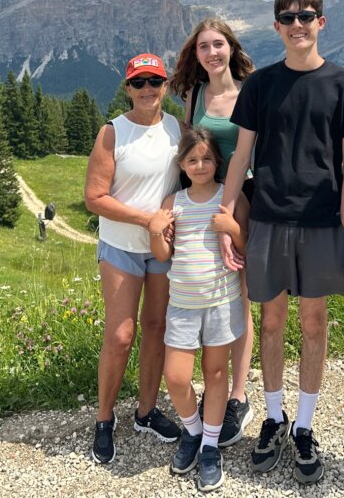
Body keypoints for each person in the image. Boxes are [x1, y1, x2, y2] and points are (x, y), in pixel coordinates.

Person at [220, 0, 344, 484]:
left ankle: (304, 426)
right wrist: (225, 216)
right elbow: (241, 156)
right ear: (277, 27)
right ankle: (273, 416)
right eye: (288, 17)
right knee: (270, 322)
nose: (298, 23)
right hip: (267, 217)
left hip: (321, 222)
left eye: (307, 15)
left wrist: (343, 229)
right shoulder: (260, 85)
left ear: (321, 22)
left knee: (313, 322)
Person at [84, 52, 183, 463]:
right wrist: (148, 219)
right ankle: (104, 418)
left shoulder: (176, 127)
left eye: (155, 82)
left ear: (165, 87)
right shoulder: (112, 132)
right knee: (121, 335)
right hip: (122, 246)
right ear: (127, 88)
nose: (147, 90)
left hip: (160, 248)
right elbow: (94, 198)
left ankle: (145, 411)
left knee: (156, 327)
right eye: (139, 83)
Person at [169, 18, 256, 446]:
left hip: (245, 194)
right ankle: (217, 391)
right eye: (204, 47)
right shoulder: (193, 95)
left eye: (218, 45)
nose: (211, 53)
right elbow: (190, 143)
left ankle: (237, 394)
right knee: (214, 280)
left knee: (238, 286)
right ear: (196, 54)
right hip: (202, 191)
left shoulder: (250, 92)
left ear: (231, 48)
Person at [148, 128, 249, 492]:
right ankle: (192, 430)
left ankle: (209, 445)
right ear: (182, 164)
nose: (201, 164)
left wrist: (232, 226)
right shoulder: (173, 202)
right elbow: (163, 255)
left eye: (207, 158)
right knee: (175, 377)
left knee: (216, 374)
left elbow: (244, 243)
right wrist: (155, 232)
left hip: (221, 301)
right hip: (183, 306)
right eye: (193, 159)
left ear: (217, 162)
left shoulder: (228, 197)